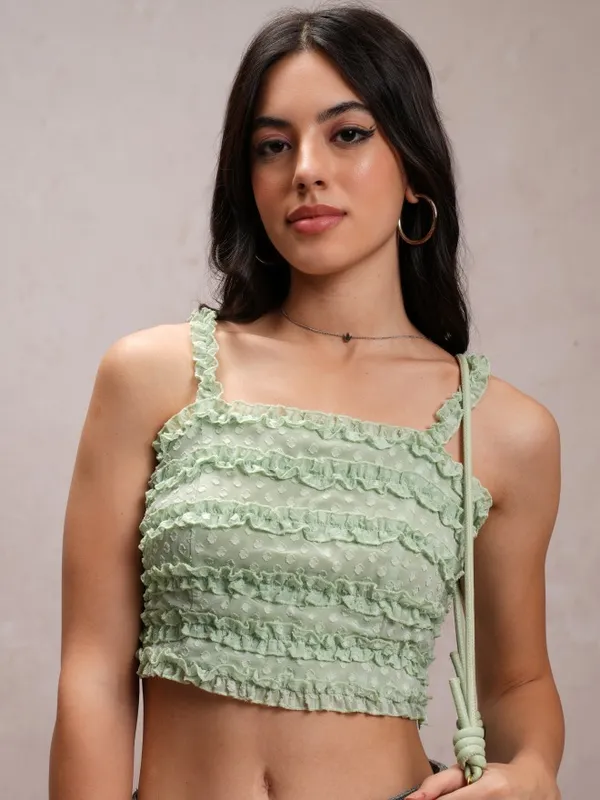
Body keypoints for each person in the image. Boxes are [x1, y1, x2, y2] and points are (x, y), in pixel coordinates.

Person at [49, 4, 565, 799]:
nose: (306, 170)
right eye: (273, 145)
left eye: (347, 134)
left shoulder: (501, 429)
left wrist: (531, 772)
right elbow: (92, 672)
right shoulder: (151, 378)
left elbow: (516, 682)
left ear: (414, 168)